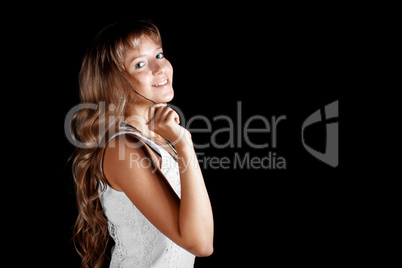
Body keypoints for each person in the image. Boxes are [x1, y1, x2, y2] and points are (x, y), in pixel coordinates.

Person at [70, 20, 214, 268]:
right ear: (115, 84)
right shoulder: (122, 147)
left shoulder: (155, 140)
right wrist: (184, 142)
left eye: (159, 54)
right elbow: (200, 243)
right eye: (140, 64)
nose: (160, 68)